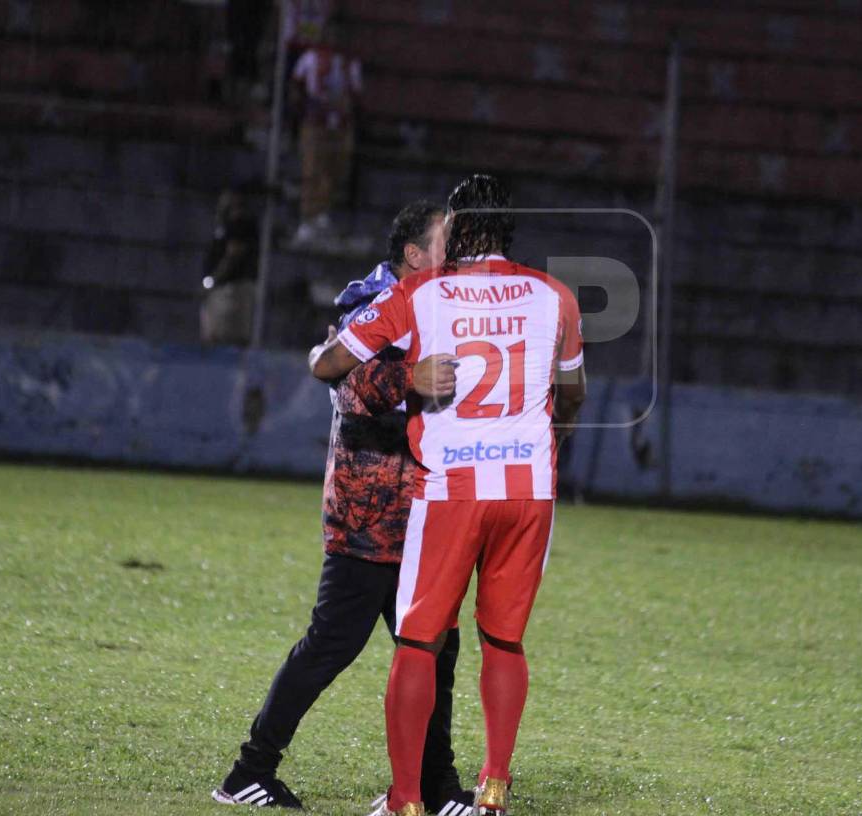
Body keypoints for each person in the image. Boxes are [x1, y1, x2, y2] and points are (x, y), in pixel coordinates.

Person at [309, 175, 588, 816]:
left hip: (453, 489)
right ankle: (492, 790)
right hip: (530, 492)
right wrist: (550, 446)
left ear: (458, 224)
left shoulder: (420, 292)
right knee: (506, 640)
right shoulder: (556, 296)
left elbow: (329, 364)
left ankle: (406, 800)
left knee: (417, 641)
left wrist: (395, 372)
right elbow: (571, 395)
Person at [212, 202, 474, 815]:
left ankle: (436, 789)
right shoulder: (377, 302)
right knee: (332, 645)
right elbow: (347, 385)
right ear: (414, 255)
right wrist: (412, 379)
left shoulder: (436, 303)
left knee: (436, 651)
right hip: (370, 513)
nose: (455, 254)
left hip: (419, 510)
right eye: (444, 242)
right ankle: (247, 773)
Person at [288, 20, 361, 246]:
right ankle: (308, 219)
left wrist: (341, 111)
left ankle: (324, 217)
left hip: (339, 125)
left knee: (334, 172)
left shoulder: (350, 63)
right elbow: (296, 88)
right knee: (312, 170)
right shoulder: (309, 58)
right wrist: (305, 112)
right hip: (315, 123)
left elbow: (354, 96)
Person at [200, 189, 260, 346]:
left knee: (227, 339)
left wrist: (215, 278)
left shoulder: (240, 225)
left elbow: (234, 253)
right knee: (212, 337)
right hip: (221, 289)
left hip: (231, 290)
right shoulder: (224, 226)